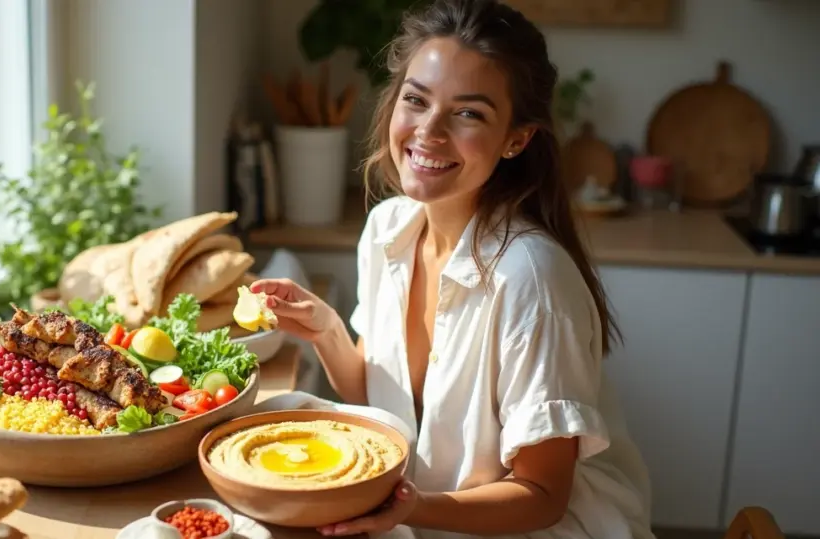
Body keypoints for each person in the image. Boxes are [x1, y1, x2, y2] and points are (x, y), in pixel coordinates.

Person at [249, 0, 655, 538]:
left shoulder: (531, 278)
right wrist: (326, 330)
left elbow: (542, 496)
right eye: (416, 100)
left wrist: (404, 509)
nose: (429, 131)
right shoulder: (389, 229)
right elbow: (381, 398)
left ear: (517, 138)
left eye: (469, 113)